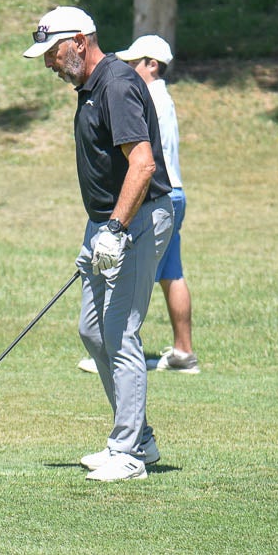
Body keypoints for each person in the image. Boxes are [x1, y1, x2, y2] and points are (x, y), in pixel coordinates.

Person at [24, 6, 174, 482]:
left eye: (53, 52)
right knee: (93, 331)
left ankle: (127, 452)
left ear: (80, 41)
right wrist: (101, 231)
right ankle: (141, 439)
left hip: (137, 219)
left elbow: (144, 165)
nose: (49, 63)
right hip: (107, 224)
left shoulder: (116, 85)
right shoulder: (90, 89)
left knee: (120, 331)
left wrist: (115, 229)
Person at [78, 35, 199, 374]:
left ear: (153, 64)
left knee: (129, 280)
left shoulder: (146, 97)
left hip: (155, 195)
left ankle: (117, 349)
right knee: (171, 273)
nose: (130, 69)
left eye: (136, 62)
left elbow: (140, 159)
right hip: (173, 192)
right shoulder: (164, 98)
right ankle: (183, 352)